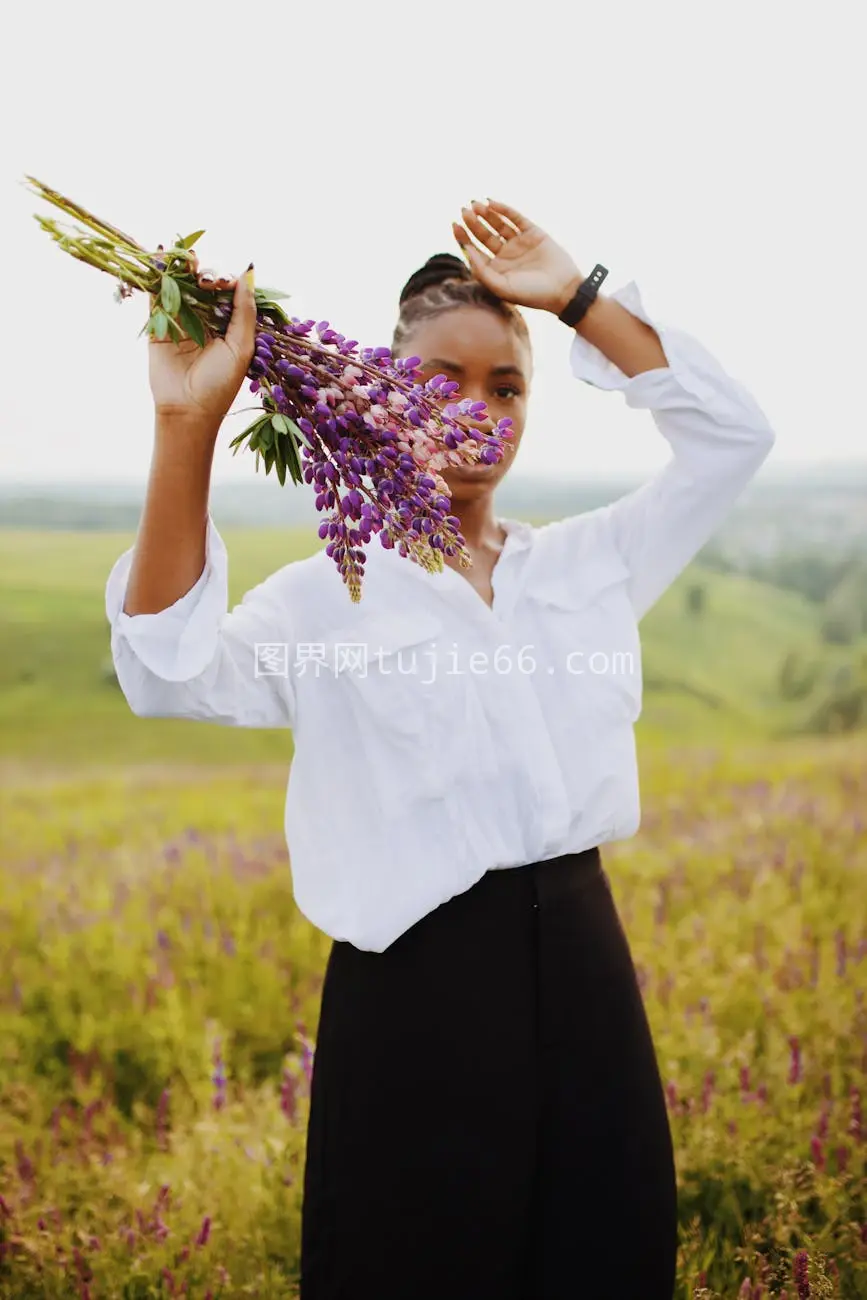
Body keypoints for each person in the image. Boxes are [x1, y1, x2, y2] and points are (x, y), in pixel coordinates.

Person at [107, 199, 775, 1300]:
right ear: (375, 393)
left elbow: (734, 438)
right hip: (413, 1005)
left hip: (589, 978)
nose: (478, 411)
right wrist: (186, 428)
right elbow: (166, 672)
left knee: (608, 1257)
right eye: (439, 383)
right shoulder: (330, 597)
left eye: (506, 386)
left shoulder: (589, 566)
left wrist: (576, 298)